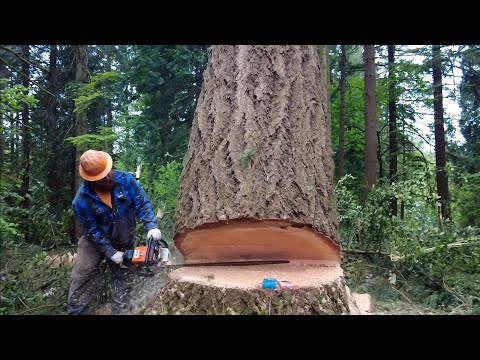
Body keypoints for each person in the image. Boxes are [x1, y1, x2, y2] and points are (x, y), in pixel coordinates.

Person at [67, 149, 162, 315]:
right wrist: (111, 253)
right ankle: (77, 312)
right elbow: (92, 230)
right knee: (83, 275)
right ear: (91, 180)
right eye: (102, 178)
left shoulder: (125, 180)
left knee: (123, 278)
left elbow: (142, 204)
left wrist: (151, 226)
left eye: (107, 173)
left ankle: (121, 311)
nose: (108, 178)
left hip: (124, 236)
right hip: (94, 241)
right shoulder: (81, 200)